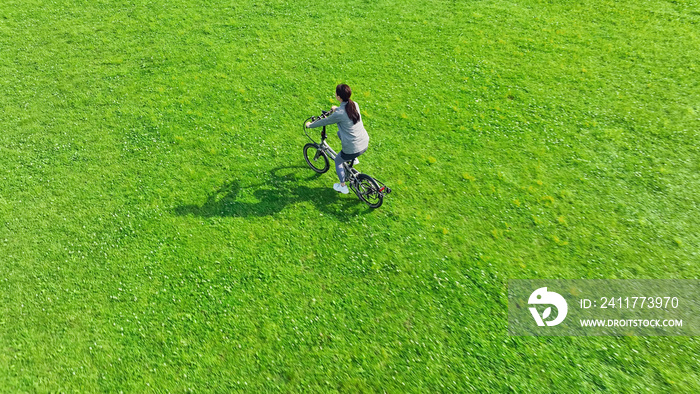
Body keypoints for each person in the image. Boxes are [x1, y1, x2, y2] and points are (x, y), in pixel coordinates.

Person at [305, 84, 369, 194]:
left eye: (336, 93)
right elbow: (344, 113)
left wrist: (310, 125)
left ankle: (342, 186)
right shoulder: (354, 105)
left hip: (353, 147)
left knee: (338, 161)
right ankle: (354, 158)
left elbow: (325, 121)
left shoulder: (339, 114)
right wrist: (336, 109)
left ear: (339, 97)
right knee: (340, 133)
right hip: (363, 141)